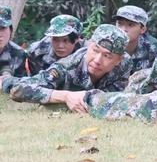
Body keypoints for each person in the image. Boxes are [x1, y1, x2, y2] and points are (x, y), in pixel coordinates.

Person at [2, 24, 131, 112]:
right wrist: (65, 96)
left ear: (118, 60)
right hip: (22, 81)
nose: (97, 60)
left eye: (107, 56)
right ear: (89, 46)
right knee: (10, 83)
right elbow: (19, 90)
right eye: (95, 50)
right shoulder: (65, 67)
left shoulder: (125, 63)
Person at [113, 5, 157, 72]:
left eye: (130, 25)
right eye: (120, 24)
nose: (123, 29)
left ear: (142, 29)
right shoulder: (107, 45)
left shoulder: (152, 49)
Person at [0, 5, 27, 79]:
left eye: (3, 28)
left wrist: (9, 80)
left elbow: (21, 81)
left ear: (10, 30)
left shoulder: (18, 53)